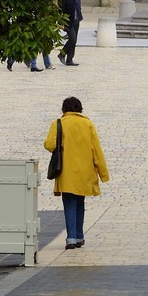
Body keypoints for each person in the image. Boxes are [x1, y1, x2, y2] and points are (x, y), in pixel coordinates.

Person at [44, 95, 109, 249]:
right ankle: (79, 235)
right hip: (85, 172)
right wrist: (103, 173)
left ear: (64, 109)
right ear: (80, 109)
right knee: (80, 203)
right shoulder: (88, 124)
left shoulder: (58, 123)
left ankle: (71, 237)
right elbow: (97, 150)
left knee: (69, 203)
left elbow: (49, 145)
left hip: (66, 171)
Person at [59, 0, 82, 65]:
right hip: (69, 21)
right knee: (72, 39)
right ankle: (62, 54)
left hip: (76, 20)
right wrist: (61, 22)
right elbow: (62, 9)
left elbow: (78, 8)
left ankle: (70, 59)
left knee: (74, 41)